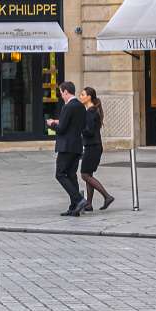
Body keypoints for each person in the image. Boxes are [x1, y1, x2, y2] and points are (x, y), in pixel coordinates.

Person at [46, 81, 88, 216]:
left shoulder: (68, 106)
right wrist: (59, 122)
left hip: (66, 146)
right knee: (71, 175)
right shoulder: (81, 106)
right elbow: (80, 125)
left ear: (65, 92)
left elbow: (61, 128)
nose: (61, 95)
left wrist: (51, 124)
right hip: (77, 145)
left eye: (61, 93)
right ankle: (74, 207)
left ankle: (79, 199)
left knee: (60, 174)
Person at [78, 87, 114, 212]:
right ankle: (89, 204)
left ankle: (107, 196)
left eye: (83, 94)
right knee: (88, 175)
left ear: (89, 97)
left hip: (92, 147)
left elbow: (89, 131)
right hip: (94, 146)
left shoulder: (90, 112)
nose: (80, 96)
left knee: (84, 175)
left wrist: (78, 128)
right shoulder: (92, 111)